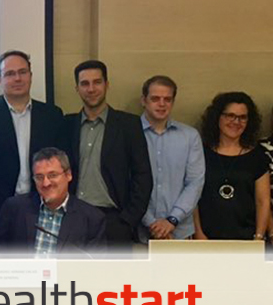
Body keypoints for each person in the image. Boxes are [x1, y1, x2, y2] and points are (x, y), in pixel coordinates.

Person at [0, 50, 64, 241]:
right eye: (10, 74)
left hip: (42, 209)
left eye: (22, 72)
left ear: (31, 76)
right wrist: (9, 205)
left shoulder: (52, 115)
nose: (17, 78)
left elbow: (58, 164)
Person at [64, 60, 152, 249]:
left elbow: (143, 175)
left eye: (97, 82)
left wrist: (128, 220)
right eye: (84, 83)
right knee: (72, 269)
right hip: (73, 217)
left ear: (107, 85)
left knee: (115, 270)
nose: (91, 89)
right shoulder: (66, 125)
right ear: (77, 89)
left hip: (114, 220)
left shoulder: (128, 125)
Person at [0, 147, 107, 257]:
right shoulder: (15, 208)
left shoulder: (92, 219)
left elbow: (96, 267)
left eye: (52, 175)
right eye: (39, 177)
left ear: (68, 175)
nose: (46, 183)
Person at [193, 92, 270, 241]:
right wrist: (199, 234)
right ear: (217, 117)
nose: (236, 122)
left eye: (242, 117)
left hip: (247, 239)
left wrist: (258, 237)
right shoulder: (200, 153)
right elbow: (193, 197)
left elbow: (263, 201)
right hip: (206, 239)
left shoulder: (257, 155)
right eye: (230, 115)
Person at [137, 75, 205, 242]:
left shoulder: (190, 136)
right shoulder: (129, 133)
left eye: (167, 99)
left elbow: (195, 183)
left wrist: (172, 220)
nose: (162, 104)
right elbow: (125, 183)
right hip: (138, 230)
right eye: (155, 99)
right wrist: (151, 223)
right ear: (144, 100)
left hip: (179, 232)